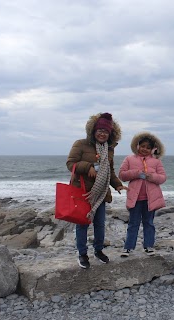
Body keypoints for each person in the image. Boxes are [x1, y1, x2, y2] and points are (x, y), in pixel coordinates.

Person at [66, 112, 127, 269]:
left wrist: (118, 184)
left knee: (100, 224)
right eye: (100, 130)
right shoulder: (80, 144)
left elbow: (110, 171)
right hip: (83, 192)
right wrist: (88, 167)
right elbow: (70, 163)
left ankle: (98, 250)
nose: (102, 133)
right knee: (82, 224)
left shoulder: (109, 149)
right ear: (93, 130)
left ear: (110, 134)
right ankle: (82, 254)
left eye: (106, 131)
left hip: (101, 193)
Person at [118, 132, 166, 257]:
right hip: (135, 198)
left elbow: (162, 178)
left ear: (152, 149)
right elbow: (122, 175)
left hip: (151, 199)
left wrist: (152, 177)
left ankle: (149, 246)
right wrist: (136, 173)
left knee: (149, 223)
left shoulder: (156, 162)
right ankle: (128, 247)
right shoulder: (129, 159)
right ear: (137, 145)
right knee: (133, 223)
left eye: (148, 147)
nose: (145, 149)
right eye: (143, 146)